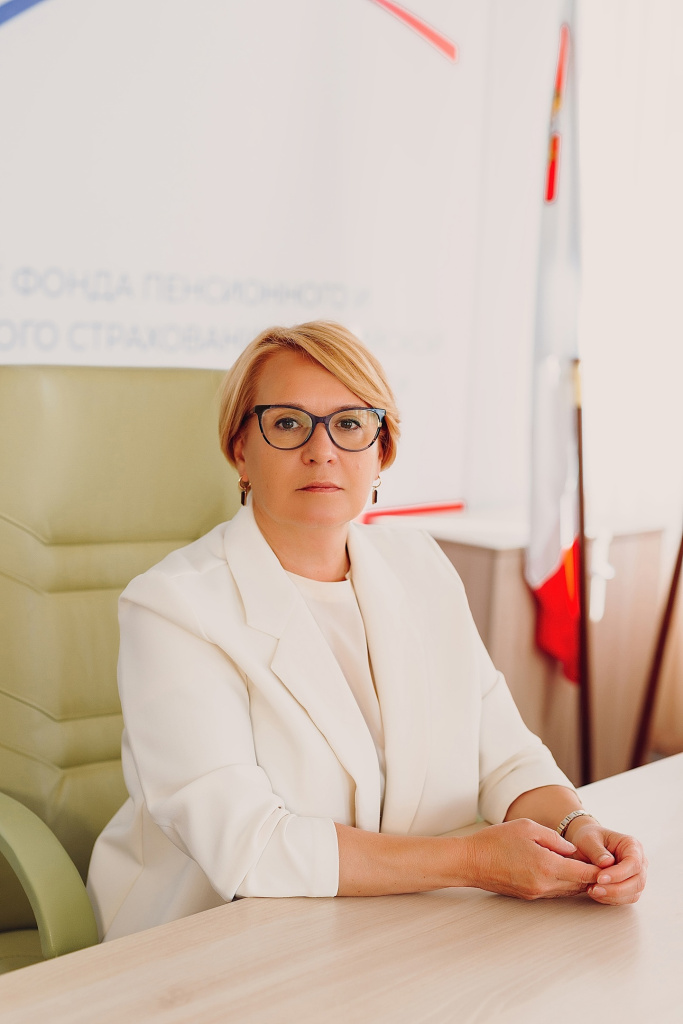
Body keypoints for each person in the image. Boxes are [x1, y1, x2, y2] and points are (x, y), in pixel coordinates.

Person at [87, 321, 646, 940]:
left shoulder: (421, 565)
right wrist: (474, 861)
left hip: (395, 926)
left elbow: (505, 758)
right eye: (288, 423)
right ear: (240, 449)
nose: (321, 450)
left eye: (350, 424)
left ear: (381, 450)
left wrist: (579, 831)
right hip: (212, 938)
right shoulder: (172, 607)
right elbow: (249, 848)